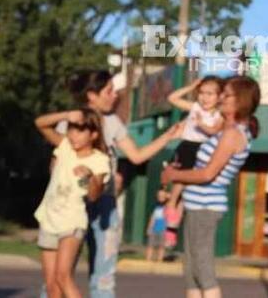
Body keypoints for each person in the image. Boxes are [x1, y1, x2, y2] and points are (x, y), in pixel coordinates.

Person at [37, 69, 184, 298]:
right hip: (70, 206)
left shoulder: (112, 122)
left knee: (103, 277)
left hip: (104, 203)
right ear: (92, 95)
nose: (115, 95)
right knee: (57, 278)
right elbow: (56, 163)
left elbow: (136, 156)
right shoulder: (72, 121)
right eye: (109, 91)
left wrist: (167, 137)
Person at [161, 76, 260, 298]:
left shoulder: (233, 135)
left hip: (206, 207)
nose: (222, 98)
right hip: (195, 204)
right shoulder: (227, 130)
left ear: (241, 100)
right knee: (191, 272)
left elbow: (208, 173)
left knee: (203, 271)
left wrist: (174, 174)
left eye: (227, 94)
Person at [34, 108, 110, 298]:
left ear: (93, 134)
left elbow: (94, 195)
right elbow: (40, 123)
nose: (73, 135)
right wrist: (65, 116)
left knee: (63, 277)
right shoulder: (65, 146)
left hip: (72, 222)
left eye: (80, 131)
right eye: (71, 129)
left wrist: (89, 176)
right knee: (51, 286)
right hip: (49, 218)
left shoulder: (99, 160)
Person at [164, 77, 225, 249]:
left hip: (203, 149)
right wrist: (190, 87)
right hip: (187, 146)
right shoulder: (196, 107)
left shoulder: (219, 115)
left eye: (210, 94)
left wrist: (201, 124)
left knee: (188, 186)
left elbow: (214, 130)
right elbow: (172, 98)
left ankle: (172, 227)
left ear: (219, 97)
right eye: (201, 93)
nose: (204, 97)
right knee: (181, 180)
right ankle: (171, 205)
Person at [145, 189, 170, 262]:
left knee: (161, 246)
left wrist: (167, 195)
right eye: (159, 196)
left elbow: (172, 199)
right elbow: (152, 218)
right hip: (154, 229)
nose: (161, 197)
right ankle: (148, 260)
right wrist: (149, 228)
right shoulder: (155, 206)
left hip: (163, 229)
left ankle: (159, 260)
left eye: (162, 196)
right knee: (150, 245)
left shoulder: (167, 205)